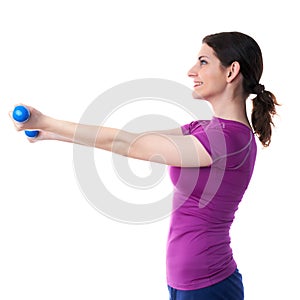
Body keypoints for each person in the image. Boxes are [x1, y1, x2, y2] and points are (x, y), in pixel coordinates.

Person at [10, 31, 279, 300]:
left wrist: (45, 121)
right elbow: (134, 139)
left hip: (208, 283)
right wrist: (52, 134)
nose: (191, 71)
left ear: (231, 71)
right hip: (186, 280)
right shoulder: (205, 128)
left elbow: (128, 145)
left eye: (203, 61)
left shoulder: (230, 140)